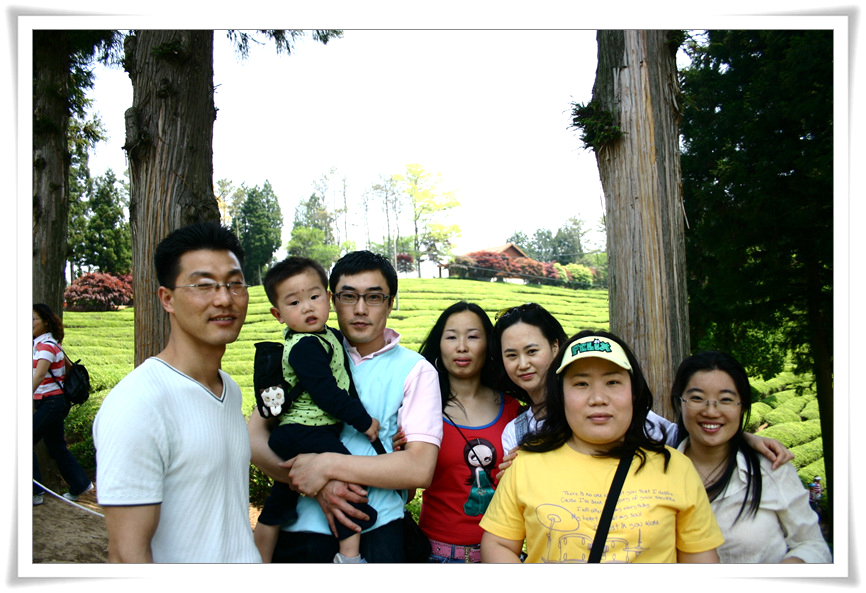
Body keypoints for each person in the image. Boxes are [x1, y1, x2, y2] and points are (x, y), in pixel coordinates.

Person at [248, 250, 442, 563]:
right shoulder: (307, 351)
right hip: (299, 531)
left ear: (390, 303)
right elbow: (254, 439)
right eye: (349, 296)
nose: (360, 309)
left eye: (374, 297)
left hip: (379, 529)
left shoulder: (415, 370)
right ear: (333, 300)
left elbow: (419, 469)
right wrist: (314, 483)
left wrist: (326, 467)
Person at [92, 222, 261, 563]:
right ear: (167, 299)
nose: (224, 299)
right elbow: (127, 555)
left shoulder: (228, 389)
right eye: (204, 286)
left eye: (235, 284)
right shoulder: (139, 403)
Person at [480, 330, 724, 563]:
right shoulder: (525, 464)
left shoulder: (676, 468)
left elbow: (700, 563)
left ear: (634, 393)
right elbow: (498, 544)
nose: (598, 399)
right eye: (581, 384)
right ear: (560, 396)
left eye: (613, 382)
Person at [492, 303, 793, 477]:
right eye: (511, 355)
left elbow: (681, 438)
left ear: (556, 347)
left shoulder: (620, 414)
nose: (523, 364)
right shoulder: (517, 432)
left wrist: (742, 437)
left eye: (532, 351)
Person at [252, 256, 381, 564]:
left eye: (314, 297)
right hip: (306, 432)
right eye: (294, 302)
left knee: (278, 502)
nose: (307, 308)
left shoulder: (326, 336)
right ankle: (349, 558)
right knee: (350, 481)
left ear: (328, 298)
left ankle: (257, 561)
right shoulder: (306, 347)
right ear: (278, 314)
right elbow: (326, 394)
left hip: (297, 432)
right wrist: (364, 422)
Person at [671, 350, 832, 563]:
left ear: (743, 407)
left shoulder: (771, 469)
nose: (711, 411)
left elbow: (813, 545)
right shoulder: (656, 471)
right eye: (697, 398)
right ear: (680, 402)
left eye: (726, 400)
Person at [412, 301, 522, 562]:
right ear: (440, 345)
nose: (462, 347)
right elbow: (404, 493)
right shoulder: (421, 409)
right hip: (436, 556)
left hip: (500, 557)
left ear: (489, 345)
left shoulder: (513, 409)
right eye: (451, 337)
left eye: (473, 337)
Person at [32, 303, 93, 506]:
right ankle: (80, 484)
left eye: (33, 319)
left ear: (46, 322)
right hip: (51, 403)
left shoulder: (47, 345)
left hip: (51, 403)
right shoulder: (43, 344)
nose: (29, 323)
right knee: (56, 446)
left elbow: (40, 374)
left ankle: (35, 492)